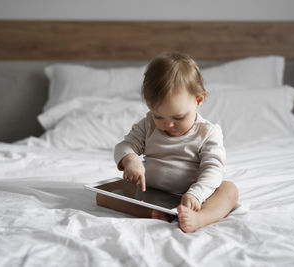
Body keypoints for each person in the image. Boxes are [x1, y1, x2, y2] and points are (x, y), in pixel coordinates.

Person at [97, 52, 238, 233]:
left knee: (229, 190)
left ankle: (199, 218)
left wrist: (196, 194)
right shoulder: (148, 124)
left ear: (199, 100)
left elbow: (213, 169)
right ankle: (153, 212)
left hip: (191, 197)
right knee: (103, 196)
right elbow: (124, 146)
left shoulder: (207, 133)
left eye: (178, 117)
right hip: (151, 193)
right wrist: (131, 159)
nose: (168, 124)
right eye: (159, 116)